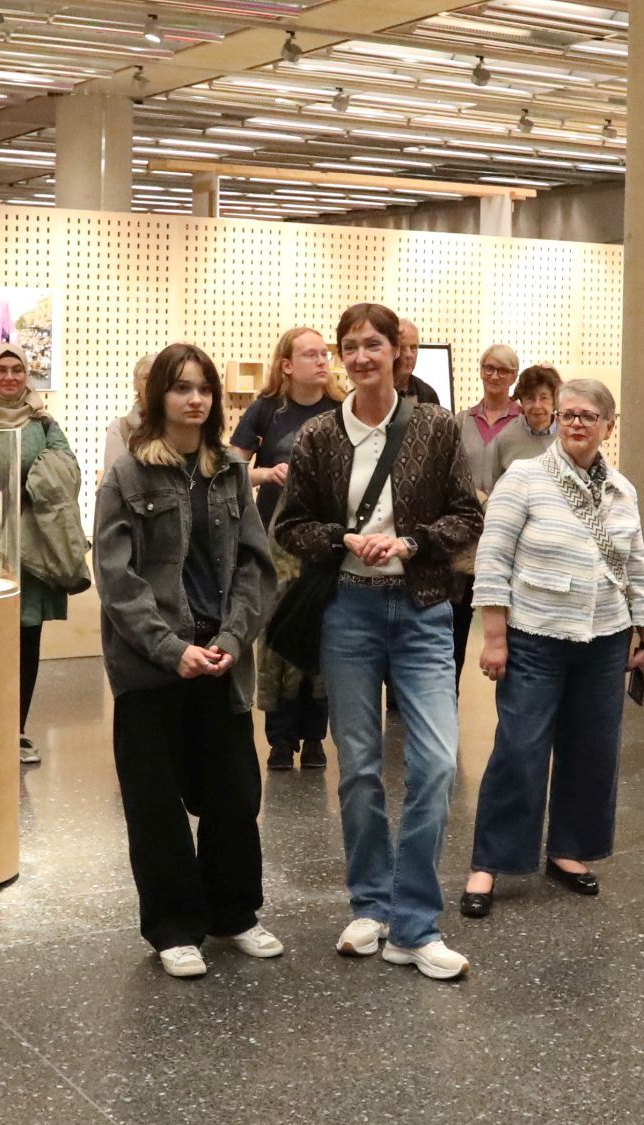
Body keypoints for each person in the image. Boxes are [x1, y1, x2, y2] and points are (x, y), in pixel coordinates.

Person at [274, 303, 483, 982]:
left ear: (397, 351)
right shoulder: (317, 436)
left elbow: (466, 514)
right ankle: (370, 902)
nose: (360, 356)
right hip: (349, 611)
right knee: (359, 767)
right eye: (349, 346)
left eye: (373, 344)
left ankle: (414, 922)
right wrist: (342, 539)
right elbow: (290, 525)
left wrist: (414, 540)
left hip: (422, 610)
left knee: (435, 765)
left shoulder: (434, 426)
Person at [95, 342, 281, 979]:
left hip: (221, 657)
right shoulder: (127, 474)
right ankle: (174, 926)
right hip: (152, 665)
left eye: (204, 388)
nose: (195, 398)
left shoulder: (230, 469)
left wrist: (231, 640)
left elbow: (256, 566)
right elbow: (116, 577)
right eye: (181, 388)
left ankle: (234, 914)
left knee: (234, 793)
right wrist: (171, 650)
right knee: (156, 803)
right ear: (158, 398)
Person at [460, 380, 644, 919]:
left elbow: (635, 567)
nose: (577, 423)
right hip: (536, 637)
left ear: (608, 426)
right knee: (520, 750)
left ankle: (569, 850)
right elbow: (493, 560)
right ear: (555, 420)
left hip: (605, 639)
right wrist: (495, 637)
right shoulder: (524, 478)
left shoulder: (622, 488)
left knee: (593, 749)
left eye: (589, 416)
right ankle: (490, 862)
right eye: (569, 414)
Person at [230, 326, 338, 770]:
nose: (322, 361)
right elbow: (231, 467)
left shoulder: (342, 409)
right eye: (310, 355)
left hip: (326, 541)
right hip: (274, 541)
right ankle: (279, 739)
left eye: (324, 354)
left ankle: (314, 738)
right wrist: (265, 474)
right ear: (287, 365)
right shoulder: (266, 411)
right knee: (275, 639)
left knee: (322, 634)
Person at [0, 344, 77, 765]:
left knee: (27, 642)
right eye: (1, 371)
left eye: (17, 371)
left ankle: (18, 731)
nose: (10, 378)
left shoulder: (43, 423)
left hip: (31, 549)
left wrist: (29, 481)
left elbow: (67, 469)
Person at [450, 344, 522, 691]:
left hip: (508, 534)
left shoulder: (525, 422)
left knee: (510, 624)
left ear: (514, 376)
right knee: (456, 623)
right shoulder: (461, 420)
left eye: (503, 370)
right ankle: (448, 695)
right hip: (465, 537)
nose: (494, 376)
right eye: (488, 367)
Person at [491, 364, 562, 484]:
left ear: (555, 402)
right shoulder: (505, 439)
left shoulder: (568, 436)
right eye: (530, 398)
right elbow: (497, 489)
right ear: (521, 401)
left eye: (544, 398)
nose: (537, 405)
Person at [103, 353, 155, 474]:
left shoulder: (181, 426)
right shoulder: (120, 429)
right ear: (135, 384)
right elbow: (113, 482)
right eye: (147, 378)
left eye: (159, 377)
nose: (153, 383)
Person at [395, 319, 441, 405]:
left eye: (413, 348)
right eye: (402, 348)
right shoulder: (374, 390)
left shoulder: (427, 395)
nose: (409, 355)